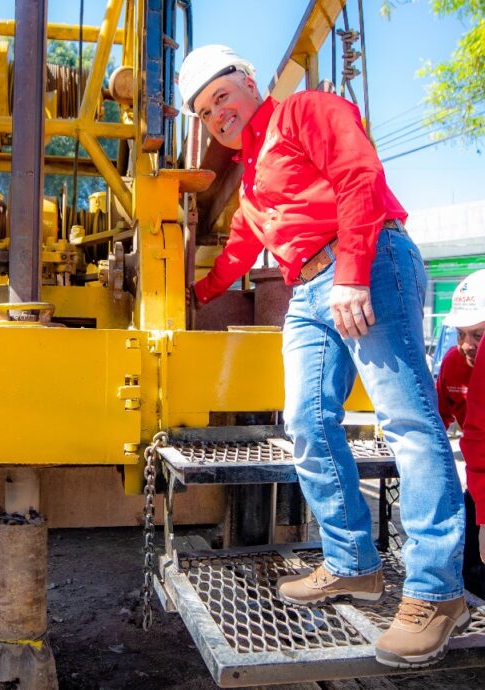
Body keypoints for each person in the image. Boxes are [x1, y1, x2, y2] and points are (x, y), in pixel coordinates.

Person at [178, 45, 467, 668]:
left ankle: (436, 592)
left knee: (410, 424)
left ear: (248, 81)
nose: (217, 116)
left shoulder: (307, 110)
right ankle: (351, 563)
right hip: (307, 289)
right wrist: (190, 295)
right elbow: (236, 255)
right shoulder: (253, 175)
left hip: (364, 262)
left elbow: (359, 176)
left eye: (221, 97)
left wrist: (354, 274)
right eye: (204, 112)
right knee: (306, 423)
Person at [444, 270, 485, 596]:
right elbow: (437, 417)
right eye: (461, 334)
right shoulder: (453, 364)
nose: (466, 345)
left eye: (478, 335)